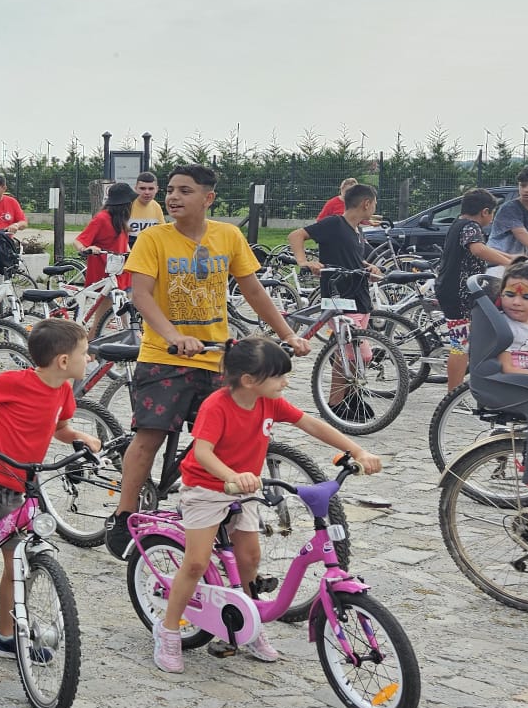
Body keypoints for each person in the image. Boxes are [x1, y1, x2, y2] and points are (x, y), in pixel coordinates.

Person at [104, 166, 310, 558]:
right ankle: (124, 511)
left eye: (185, 190)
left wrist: (287, 335)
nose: (174, 197)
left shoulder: (228, 236)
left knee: (226, 438)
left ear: (208, 198)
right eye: (170, 190)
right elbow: (141, 295)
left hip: (218, 358)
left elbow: (252, 289)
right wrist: (173, 336)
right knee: (150, 436)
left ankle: (215, 514)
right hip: (165, 356)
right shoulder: (153, 239)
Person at [152, 337, 381, 673]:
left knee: (250, 558)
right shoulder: (217, 405)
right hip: (208, 488)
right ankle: (169, 629)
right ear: (249, 381)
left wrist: (356, 450)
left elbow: (309, 423)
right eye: (279, 377)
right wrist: (232, 475)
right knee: (196, 563)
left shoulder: (270, 402)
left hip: (243, 489)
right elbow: (202, 452)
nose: (285, 383)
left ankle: (251, 620)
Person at [0, 319, 95, 687]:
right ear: (62, 360)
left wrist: (80, 437)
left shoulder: (64, 391)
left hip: (22, 484)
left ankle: (6, 636)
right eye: (84, 353)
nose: (88, 358)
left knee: (17, 564)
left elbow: (58, 429)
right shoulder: (17, 381)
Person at [468, 261, 528, 498]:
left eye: (527, 296)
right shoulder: (503, 325)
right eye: (509, 294)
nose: (516, 302)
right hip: (513, 384)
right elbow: (508, 368)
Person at [437, 191, 506, 388]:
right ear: (485, 212)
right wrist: (509, 262)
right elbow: (479, 249)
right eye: (492, 213)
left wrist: (510, 256)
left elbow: (483, 248)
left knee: (462, 344)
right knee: (460, 346)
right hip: (457, 295)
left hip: (452, 291)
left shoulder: (459, 223)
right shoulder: (471, 227)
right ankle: (453, 395)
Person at [287, 182, 380, 316]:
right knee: (350, 337)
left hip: (360, 299)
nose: (375, 207)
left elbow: (351, 257)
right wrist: (304, 262)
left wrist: (368, 267)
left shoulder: (357, 229)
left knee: (363, 337)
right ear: (366, 204)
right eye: (374, 203)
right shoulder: (334, 224)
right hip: (339, 298)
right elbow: (295, 236)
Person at [77, 182, 135, 290]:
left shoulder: (121, 220)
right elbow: (79, 241)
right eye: (130, 202)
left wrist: (132, 255)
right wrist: (86, 248)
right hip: (104, 276)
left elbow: (124, 243)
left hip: (120, 272)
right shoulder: (101, 218)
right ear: (124, 204)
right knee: (105, 305)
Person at [492, 168, 528, 261]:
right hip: (497, 261)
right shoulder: (510, 208)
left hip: (517, 263)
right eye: (522, 186)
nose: (526, 190)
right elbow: (521, 233)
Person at [126, 171, 164, 242]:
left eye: (151, 189)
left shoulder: (156, 206)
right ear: (136, 188)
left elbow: (162, 233)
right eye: (142, 188)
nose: (147, 192)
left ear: (157, 189)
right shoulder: (126, 206)